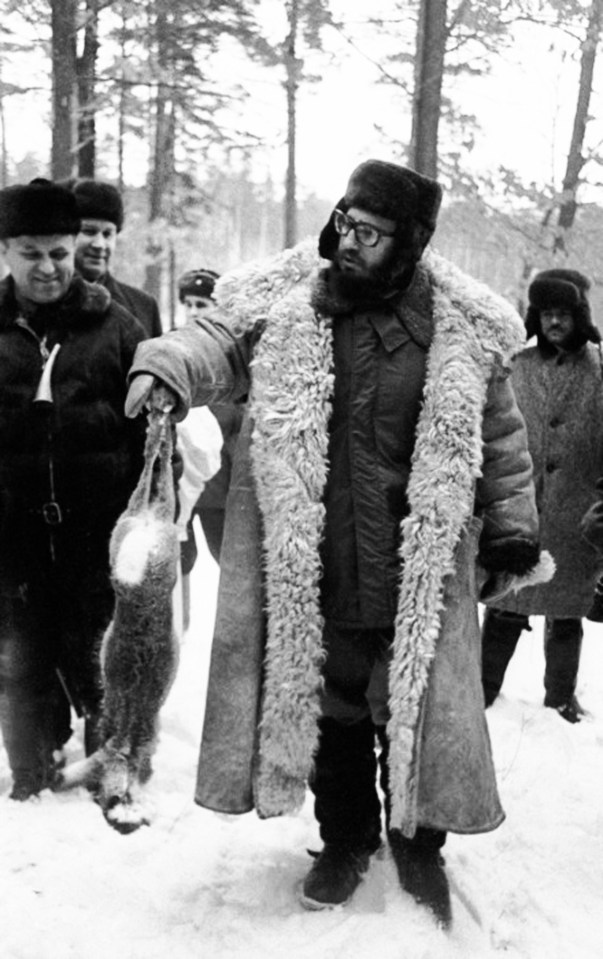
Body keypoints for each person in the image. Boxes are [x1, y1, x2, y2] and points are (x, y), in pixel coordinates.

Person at [125, 160, 550, 928]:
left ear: (410, 242)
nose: (347, 242)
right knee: (333, 708)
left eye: (370, 232)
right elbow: (213, 338)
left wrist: (513, 529)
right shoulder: (290, 302)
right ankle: (344, 839)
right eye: (345, 223)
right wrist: (165, 370)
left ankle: (418, 840)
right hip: (313, 565)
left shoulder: (457, 330)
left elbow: (501, 437)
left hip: (415, 566)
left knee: (413, 708)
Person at [0, 178, 147, 800]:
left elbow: (150, 439)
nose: (48, 267)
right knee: (20, 661)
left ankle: (109, 775)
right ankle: (29, 777)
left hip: (96, 533)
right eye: (31, 253)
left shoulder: (116, 328)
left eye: (59, 252)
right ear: (6, 251)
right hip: (13, 535)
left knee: (102, 662)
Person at [481, 269, 603, 724]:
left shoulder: (600, 370)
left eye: (563, 314)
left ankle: (560, 699)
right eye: (547, 314)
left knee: (566, 614)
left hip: (577, 515)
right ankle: (482, 690)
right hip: (521, 508)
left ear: (579, 318)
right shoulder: (516, 365)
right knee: (506, 607)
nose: (555, 323)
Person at [177, 268, 244, 568]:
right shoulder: (172, 348)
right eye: (188, 304)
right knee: (180, 564)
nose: (193, 312)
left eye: (201, 305)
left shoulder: (233, 355)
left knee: (228, 563)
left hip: (221, 487)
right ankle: (184, 618)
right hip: (182, 483)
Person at [68, 178, 163, 338]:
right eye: (89, 231)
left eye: (107, 234)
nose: (99, 244)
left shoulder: (144, 307)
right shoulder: (45, 301)